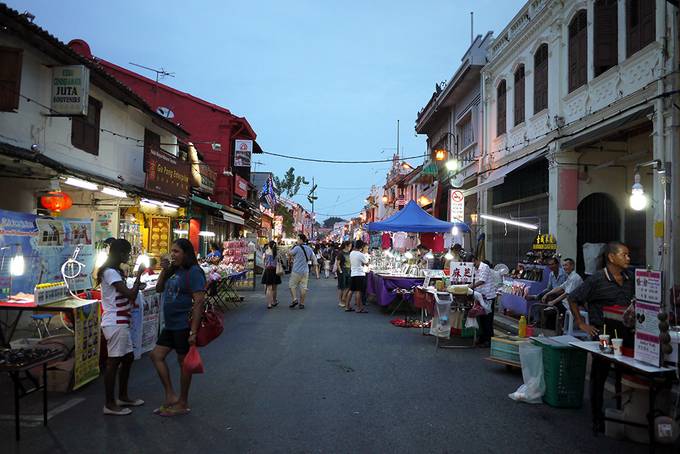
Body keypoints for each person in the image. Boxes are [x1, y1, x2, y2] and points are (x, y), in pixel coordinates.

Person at [569, 242, 633, 433]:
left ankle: (623, 413)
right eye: (624, 254)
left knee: (624, 374)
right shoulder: (597, 280)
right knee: (600, 373)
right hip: (603, 333)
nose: (628, 258)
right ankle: (597, 417)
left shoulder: (630, 279)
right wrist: (581, 324)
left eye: (628, 254)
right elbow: (573, 298)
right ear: (611, 257)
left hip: (626, 334)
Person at [151, 238, 207, 417]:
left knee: (184, 364)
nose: (172, 255)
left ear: (186, 253)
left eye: (176, 252)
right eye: (171, 251)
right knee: (156, 355)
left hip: (183, 324)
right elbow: (159, 289)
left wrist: (194, 331)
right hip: (170, 324)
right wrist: (164, 271)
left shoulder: (194, 272)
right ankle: (170, 395)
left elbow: (199, 301)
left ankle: (182, 402)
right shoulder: (173, 271)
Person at [98, 239, 145, 416]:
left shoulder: (113, 272)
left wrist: (135, 285)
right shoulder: (110, 272)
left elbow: (126, 293)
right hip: (115, 322)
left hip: (120, 321)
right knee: (114, 362)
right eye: (126, 252)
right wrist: (139, 275)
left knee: (127, 358)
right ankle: (110, 403)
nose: (128, 255)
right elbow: (130, 295)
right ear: (119, 253)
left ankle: (123, 396)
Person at [530, 258, 583, 327]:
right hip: (564, 302)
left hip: (571, 305)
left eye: (566, 265)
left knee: (547, 310)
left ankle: (547, 327)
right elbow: (559, 287)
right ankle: (538, 322)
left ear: (572, 266)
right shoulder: (570, 277)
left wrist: (553, 302)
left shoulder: (574, 278)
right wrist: (547, 294)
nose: (564, 267)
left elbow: (566, 294)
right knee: (541, 306)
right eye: (563, 265)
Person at [469, 254, 496, 348]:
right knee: (481, 319)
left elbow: (482, 281)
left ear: (474, 260)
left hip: (488, 296)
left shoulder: (484, 267)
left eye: (471, 262)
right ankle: (482, 338)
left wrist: (469, 287)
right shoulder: (475, 269)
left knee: (487, 320)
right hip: (481, 297)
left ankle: (489, 340)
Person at [288, 234, 318, 309]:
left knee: (292, 285)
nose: (297, 240)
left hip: (296, 270)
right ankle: (302, 303)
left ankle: (295, 299)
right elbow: (314, 259)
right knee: (303, 288)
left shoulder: (297, 248)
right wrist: (315, 269)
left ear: (301, 240)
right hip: (305, 271)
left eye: (297, 239)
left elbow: (290, 253)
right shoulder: (309, 249)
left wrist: (291, 247)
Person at [348, 240, 369, 313]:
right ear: (362, 247)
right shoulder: (360, 254)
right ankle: (359, 308)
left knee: (351, 290)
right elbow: (367, 263)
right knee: (358, 291)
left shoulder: (352, 253)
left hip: (353, 273)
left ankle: (347, 306)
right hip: (359, 274)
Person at [261, 240, 282, 309]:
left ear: (268, 246)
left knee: (269, 288)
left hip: (268, 270)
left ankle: (269, 304)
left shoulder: (266, 252)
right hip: (275, 271)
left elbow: (263, 262)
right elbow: (279, 260)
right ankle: (274, 301)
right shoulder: (277, 253)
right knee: (274, 288)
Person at [335, 241, 352, 308]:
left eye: (351, 246)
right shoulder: (341, 253)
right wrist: (340, 271)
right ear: (346, 246)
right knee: (342, 287)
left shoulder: (350, 253)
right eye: (349, 246)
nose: (350, 248)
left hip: (349, 271)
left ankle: (343, 299)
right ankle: (341, 301)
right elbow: (338, 263)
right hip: (342, 271)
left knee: (348, 286)